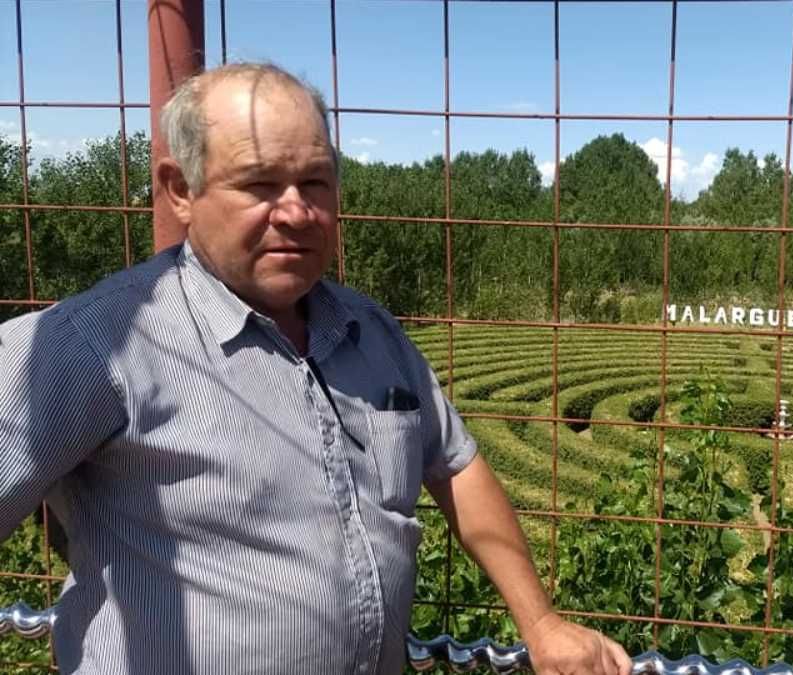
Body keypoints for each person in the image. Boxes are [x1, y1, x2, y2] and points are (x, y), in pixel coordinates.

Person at [0, 62, 632, 675]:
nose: (296, 212)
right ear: (180, 191)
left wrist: (541, 622)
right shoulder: (92, 344)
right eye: (259, 184)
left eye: (316, 182)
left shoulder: (371, 330)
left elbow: (457, 464)